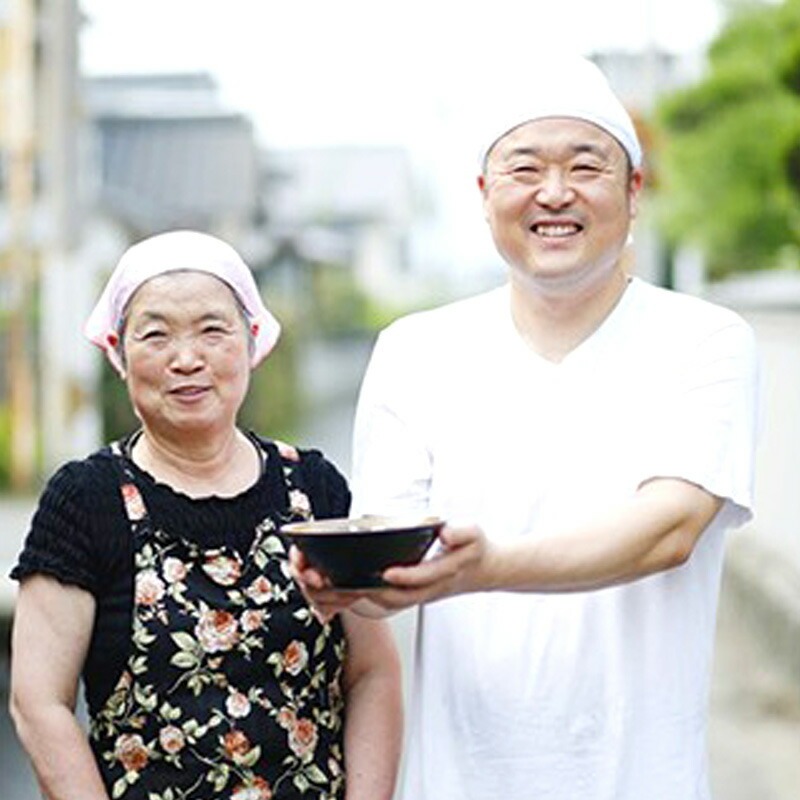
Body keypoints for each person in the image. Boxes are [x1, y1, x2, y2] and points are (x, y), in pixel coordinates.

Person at [292, 57, 761, 800]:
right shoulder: (415, 351)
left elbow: (669, 529)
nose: (554, 192)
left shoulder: (704, 340)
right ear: (485, 194)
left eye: (586, 166)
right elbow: (391, 575)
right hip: (460, 781)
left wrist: (489, 567)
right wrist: (350, 584)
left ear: (634, 191)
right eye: (525, 168)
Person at [9, 230, 402, 800]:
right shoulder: (86, 500)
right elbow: (38, 704)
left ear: (252, 341)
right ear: (119, 354)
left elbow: (372, 671)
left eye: (213, 330)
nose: (187, 359)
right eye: (156, 334)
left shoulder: (314, 489)